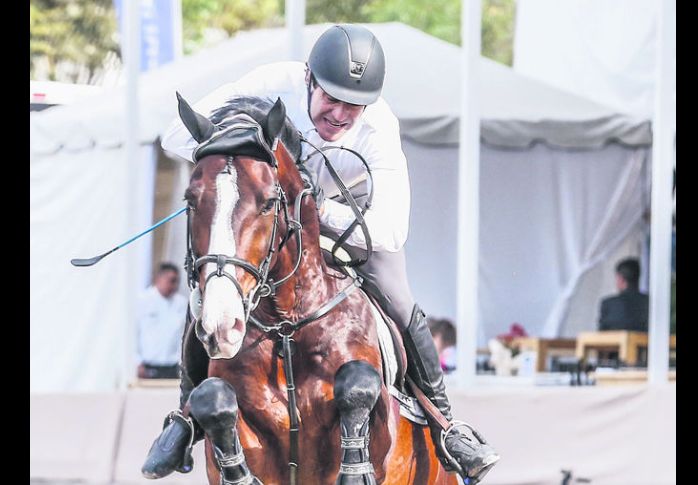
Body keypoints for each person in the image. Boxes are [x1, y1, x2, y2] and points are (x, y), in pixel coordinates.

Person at [144, 24, 499, 482]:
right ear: (309, 78)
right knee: (212, 294)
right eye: (331, 97)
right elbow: (175, 134)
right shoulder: (272, 83)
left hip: (340, 221)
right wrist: (239, 157)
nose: (340, 113)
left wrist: (312, 207)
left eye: (354, 104)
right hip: (262, 219)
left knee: (398, 296)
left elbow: (391, 230)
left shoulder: (378, 127)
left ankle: (446, 424)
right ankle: (184, 417)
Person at [136, 263, 186, 379]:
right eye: (172, 280)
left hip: (174, 367)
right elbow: (133, 333)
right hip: (148, 366)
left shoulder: (181, 303)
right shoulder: (143, 300)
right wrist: (136, 361)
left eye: (177, 281)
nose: (175, 285)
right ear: (159, 278)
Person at [598, 258, 649, 332]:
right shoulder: (649, 302)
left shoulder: (609, 304)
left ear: (620, 279)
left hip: (614, 343)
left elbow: (601, 334)